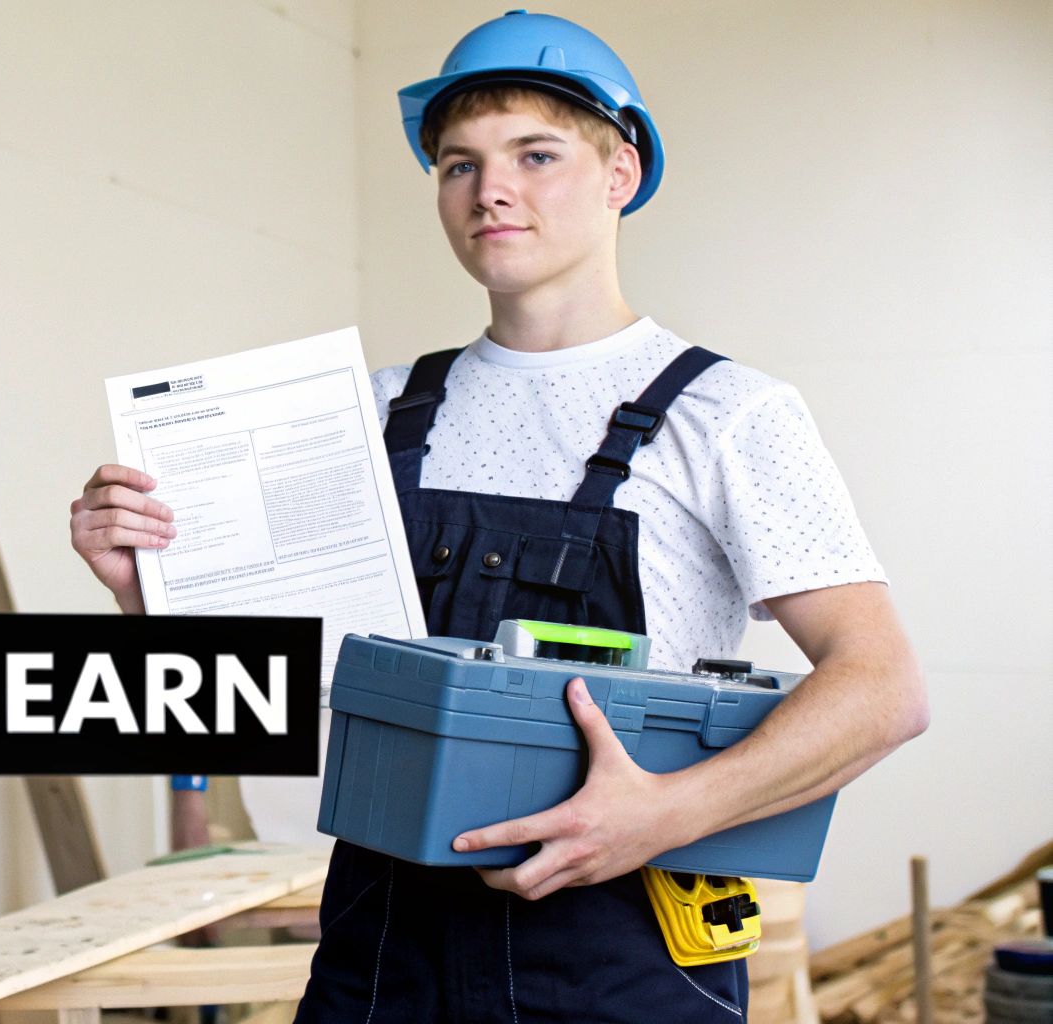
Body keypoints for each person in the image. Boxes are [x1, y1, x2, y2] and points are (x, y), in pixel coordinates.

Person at [68, 9, 928, 1021]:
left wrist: (657, 815)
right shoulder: (372, 410)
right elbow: (285, 692)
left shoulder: (727, 414)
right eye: (456, 164)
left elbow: (880, 689)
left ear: (620, 173)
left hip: (624, 951)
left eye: (534, 154)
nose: (491, 190)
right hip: (382, 945)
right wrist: (147, 597)